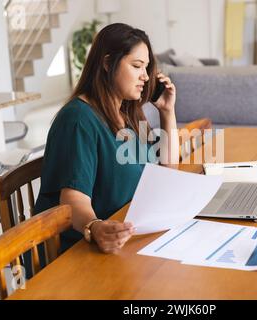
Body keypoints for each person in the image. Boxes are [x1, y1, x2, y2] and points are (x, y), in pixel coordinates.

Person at [34, 23, 179, 254]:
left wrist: (167, 111)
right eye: (136, 66)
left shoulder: (127, 113)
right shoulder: (78, 120)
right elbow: (73, 199)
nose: (145, 76)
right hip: (81, 251)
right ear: (107, 63)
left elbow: (168, 169)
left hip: (127, 236)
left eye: (147, 67)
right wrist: (95, 227)